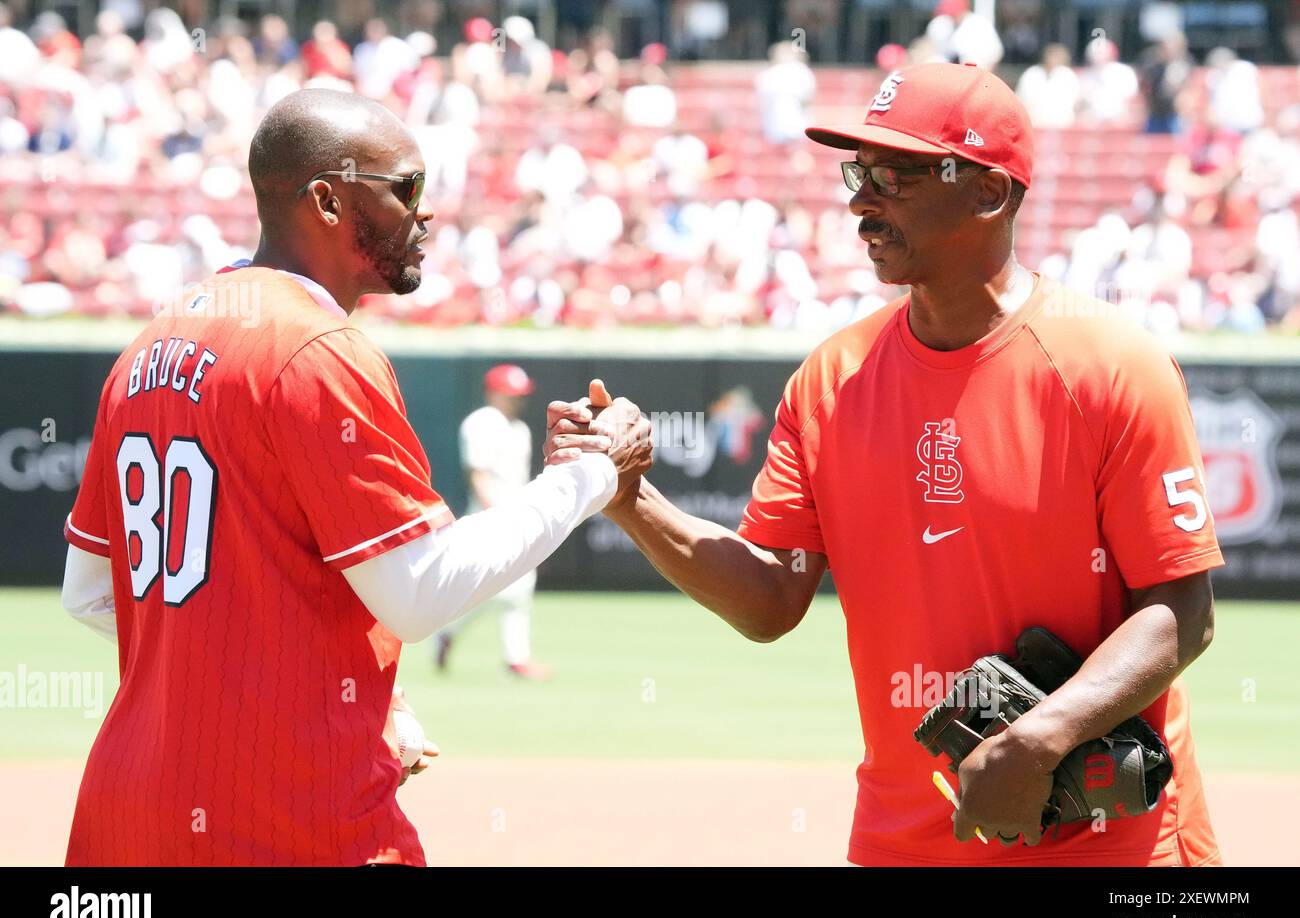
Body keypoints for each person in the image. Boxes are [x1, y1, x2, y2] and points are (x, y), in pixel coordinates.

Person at [550, 63, 1224, 866]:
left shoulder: (1112, 365)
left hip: (1106, 844)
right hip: (901, 838)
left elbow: (1183, 610)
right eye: (859, 173)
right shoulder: (831, 379)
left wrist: (1041, 739)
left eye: (899, 175)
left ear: (990, 193)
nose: (863, 200)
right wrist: (630, 499)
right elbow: (770, 597)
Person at [59, 89, 648, 866]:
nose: (425, 212)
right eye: (406, 187)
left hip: (123, 820)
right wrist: (587, 476)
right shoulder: (318, 349)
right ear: (328, 199)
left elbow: (91, 593)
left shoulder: (150, 341)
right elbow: (418, 592)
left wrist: (320, 685)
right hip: (287, 820)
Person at [434, 364, 550, 679]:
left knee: (518, 588)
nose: (516, 400)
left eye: (520, 394)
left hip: (516, 515)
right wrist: (495, 515)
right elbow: (478, 474)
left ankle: (516, 658)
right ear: (493, 392)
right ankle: (448, 630)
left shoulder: (520, 429)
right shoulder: (482, 423)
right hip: (489, 516)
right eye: (510, 393)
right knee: (488, 588)